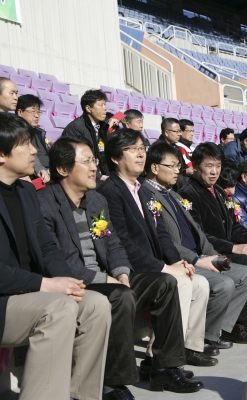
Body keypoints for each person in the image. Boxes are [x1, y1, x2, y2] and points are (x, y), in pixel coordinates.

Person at [0, 113, 111, 400]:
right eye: (25, 144)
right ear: (0, 154)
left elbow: (48, 248)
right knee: (58, 308)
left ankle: (81, 395)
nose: (35, 150)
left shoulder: (25, 191)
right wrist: (47, 285)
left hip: (23, 294)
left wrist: (67, 280)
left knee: (97, 305)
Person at [38, 136, 203, 397]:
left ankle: (164, 367)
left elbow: (114, 244)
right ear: (62, 169)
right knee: (121, 296)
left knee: (165, 284)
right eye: (86, 161)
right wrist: (105, 280)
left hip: (108, 278)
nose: (94, 167)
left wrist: (121, 273)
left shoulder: (95, 201)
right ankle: (113, 381)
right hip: (76, 281)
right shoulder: (46, 203)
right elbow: (58, 261)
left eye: (94, 160)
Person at [97, 128, 205, 392]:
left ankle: (168, 361)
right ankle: (162, 363)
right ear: (114, 157)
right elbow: (121, 241)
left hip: (152, 266)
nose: (140, 153)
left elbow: (161, 234)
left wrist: (179, 261)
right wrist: (164, 267)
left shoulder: (143, 192)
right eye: (133, 149)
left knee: (197, 282)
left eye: (142, 148)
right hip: (130, 269)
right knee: (174, 282)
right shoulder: (109, 191)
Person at [143, 142, 247, 354]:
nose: (178, 170)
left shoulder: (174, 195)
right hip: (180, 260)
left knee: (245, 274)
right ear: (155, 167)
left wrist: (214, 255)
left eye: (178, 165)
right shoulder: (148, 194)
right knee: (224, 284)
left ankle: (217, 331)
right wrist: (197, 259)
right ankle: (200, 337)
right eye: (173, 166)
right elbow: (164, 240)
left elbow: (199, 232)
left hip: (201, 254)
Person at [179, 142, 247, 342]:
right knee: (244, 261)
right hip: (208, 252)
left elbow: (233, 226)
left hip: (224, 246)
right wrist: (233, 247)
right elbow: (200, 235)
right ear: (196, 165)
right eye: (209, 166)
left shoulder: (217, 191)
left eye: (217, 166)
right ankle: (238, 323)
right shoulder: (187, 194)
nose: (214, 171)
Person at [62, 89, 110, 180]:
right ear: (88, 108)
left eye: (105, 104)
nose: (105, 108)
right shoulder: (75, 128)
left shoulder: (103, 128)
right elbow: (76, 159)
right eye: (101, 105)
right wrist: (100, 177)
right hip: (85, 177)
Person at [15, 94, 50, 183]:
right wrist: (41, 170)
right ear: (20, 112)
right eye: (33, 112)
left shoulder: (39, 132)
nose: (37, 116)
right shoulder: (16, 133)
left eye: (38, 112)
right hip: (33, 177)